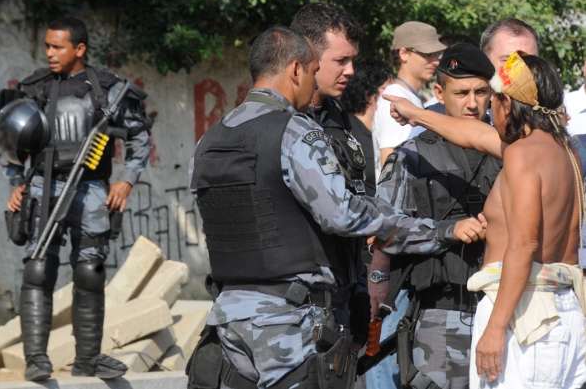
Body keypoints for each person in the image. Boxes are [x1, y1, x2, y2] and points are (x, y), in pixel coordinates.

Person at [186, 25, 485, 389]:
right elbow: (344, 215)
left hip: (226, 326)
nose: (315, 86)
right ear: (296, 70)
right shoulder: (294, 131)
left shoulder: (210, 139)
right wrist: (439, 230)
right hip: (289, 330)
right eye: (313, 73)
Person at [385, 51, 586, 389]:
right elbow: (473, 135)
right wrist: (416, 114)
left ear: (507, 102)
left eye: (491, 100)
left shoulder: (522, 154)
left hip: (526, 318)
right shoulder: (562, 150)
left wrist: (495, 327)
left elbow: (524, 245)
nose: (487, 110)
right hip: (563, 312)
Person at [0, 17, 150, 381]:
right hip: (42, 188)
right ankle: (36, 359)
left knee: (90, 272)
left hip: (92, 188)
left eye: (57, 47)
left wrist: (126, 182)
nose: (49, 53)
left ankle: (87, 359)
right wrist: (17, 182)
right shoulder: (33, 88)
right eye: (47, 46)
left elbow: (139, 139)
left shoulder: (109, 90)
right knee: (37, 270)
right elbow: (9, 141)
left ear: (79, 49)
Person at [374, 43, 501, 389]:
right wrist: (447, 230)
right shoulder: (413, 156)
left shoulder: (510, 150)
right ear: (439, 91)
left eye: (481, 92)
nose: (472, 103)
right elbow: (383, 229)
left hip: (502, 312)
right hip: (442, 316)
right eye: (461, 93)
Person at [291, 2, 372, 350]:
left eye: (353, 60)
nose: (351, 71)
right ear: (309, 56)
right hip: (296, 306)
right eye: (341, 60)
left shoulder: (344, 123)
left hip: (343, 296)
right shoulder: (280, 124)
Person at [372, 21, 446, 172]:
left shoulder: (410, 96)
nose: (436, 61)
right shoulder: (394, 97)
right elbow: (390, 159)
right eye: (427, 54)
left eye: (437, 54)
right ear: (404, 53)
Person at [339, 58, 393, 195]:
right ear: (368, 93)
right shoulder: (345, 129)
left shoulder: (385, 129)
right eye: (387, 89)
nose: (394, 94)